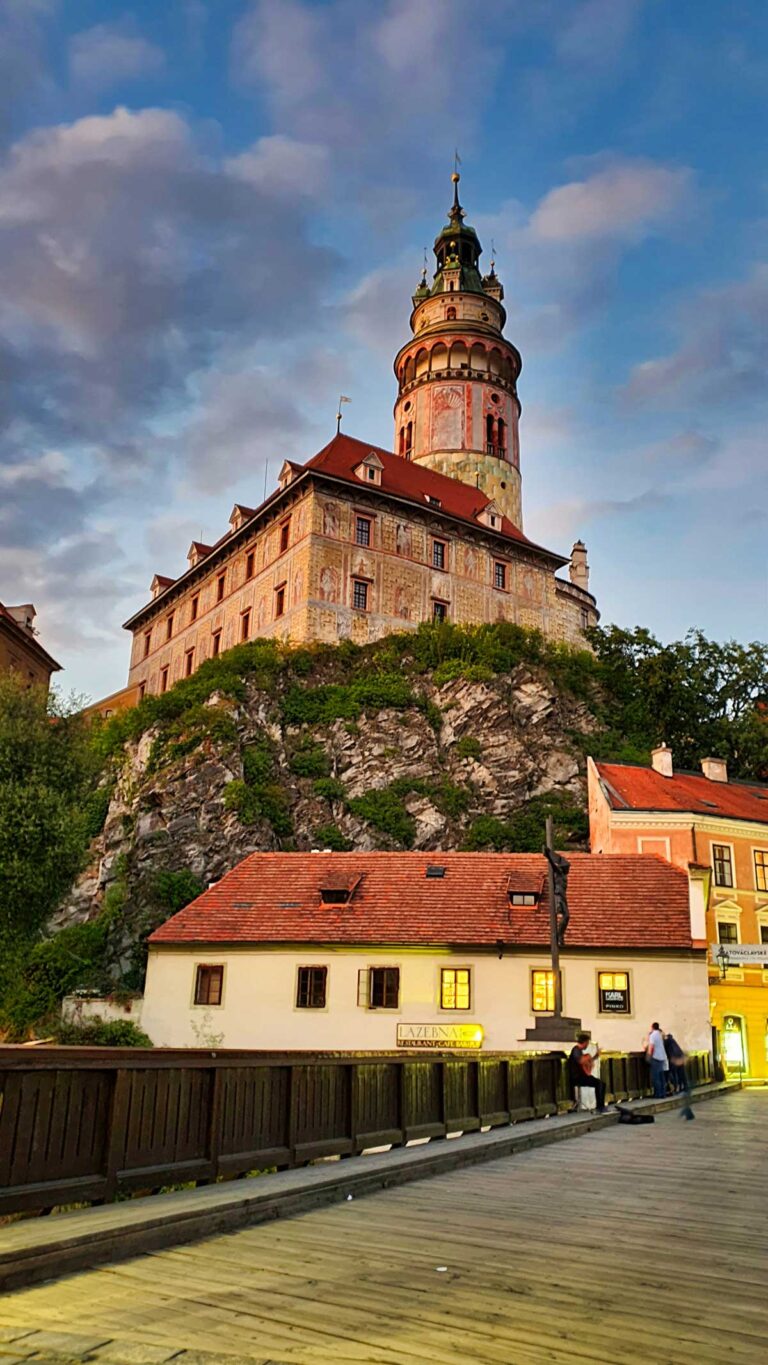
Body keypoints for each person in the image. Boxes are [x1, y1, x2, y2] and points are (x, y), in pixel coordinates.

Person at [568, 1031, 606, 1112]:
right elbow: (581, 1061)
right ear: (584, 1042)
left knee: (600, 1083)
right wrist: (589, 1056)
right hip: (577, 1077)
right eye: (587, 1043)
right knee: (599, 1084)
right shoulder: (576, 1050)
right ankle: (600, 1107)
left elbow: (586, 1062)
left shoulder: (578, 1050)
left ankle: (600, 1106)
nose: (588, 1045)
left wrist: (595, 1056)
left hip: (581, 1076)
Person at [665, 1032, 695, 1119]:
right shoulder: (673, 1042)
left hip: (675, 1060)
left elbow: (670, 1053)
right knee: (682, 1075)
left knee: (674, 1075)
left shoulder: (668, 1043)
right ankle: (683, 1087)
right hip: (680, 1059)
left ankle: (676, 1087)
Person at [646, 1022, 668, 1099]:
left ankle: (657, 1094)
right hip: (662, 1057)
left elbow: (651, 1046)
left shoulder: (653, 1035)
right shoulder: (659, 1034)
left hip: (655, 1057)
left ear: (652, 1027)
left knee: (656, 1077)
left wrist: (648, 1056)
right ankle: (663, 1093)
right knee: (661, 1077)